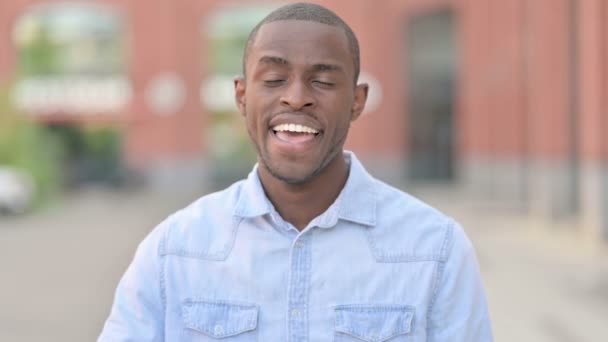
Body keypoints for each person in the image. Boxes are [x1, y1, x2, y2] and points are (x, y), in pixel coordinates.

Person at [98, 2, 493, 341]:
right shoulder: (175, 250)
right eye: (273, 79)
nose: (297, 97)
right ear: (241, 96)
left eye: (322, 81)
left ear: (357, 101)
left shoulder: (434, 250)